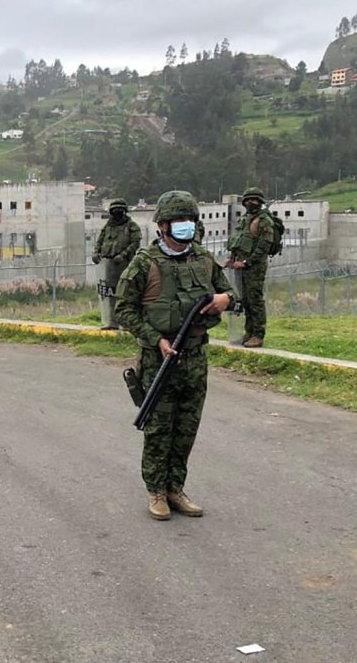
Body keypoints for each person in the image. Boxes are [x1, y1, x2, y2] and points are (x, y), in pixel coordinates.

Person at [115, 190, 235, 521]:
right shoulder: (145, 263)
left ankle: (175, 489)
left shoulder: (203, 259)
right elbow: (124, 310)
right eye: (179, 221)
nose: (186, 226)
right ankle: (156, 492)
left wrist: (227, 299)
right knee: (158, 428)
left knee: (186, 427)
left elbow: (230, 293)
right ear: (163, 226)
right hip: (160, 358)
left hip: (195, 357)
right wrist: (155, 340)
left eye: (190, 221)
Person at [225, 186, 276, 348]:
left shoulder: (264, 222)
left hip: (254, 267)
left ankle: (258, 334)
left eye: (253, 200)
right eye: (247, 200)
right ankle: (249, 331)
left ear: (260, 202)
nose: (250, 202)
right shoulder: (245, 219)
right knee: (245, 300)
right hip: (240, 266)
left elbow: (263, 247)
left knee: (255, 300)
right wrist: (232, 258)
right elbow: (238, 241)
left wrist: (247, 262)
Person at [92, 198, 142, 330]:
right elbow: (100, 241)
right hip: (108, 265)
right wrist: (96, 253)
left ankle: (125, 322)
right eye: (114, 211)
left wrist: (123, 255)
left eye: (119, 211)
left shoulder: (131, 226)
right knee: (109, 294)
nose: (117, 213)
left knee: (125, 294)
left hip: (125, 264)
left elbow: (135, 243)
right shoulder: (108, 226)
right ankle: (111, 322)